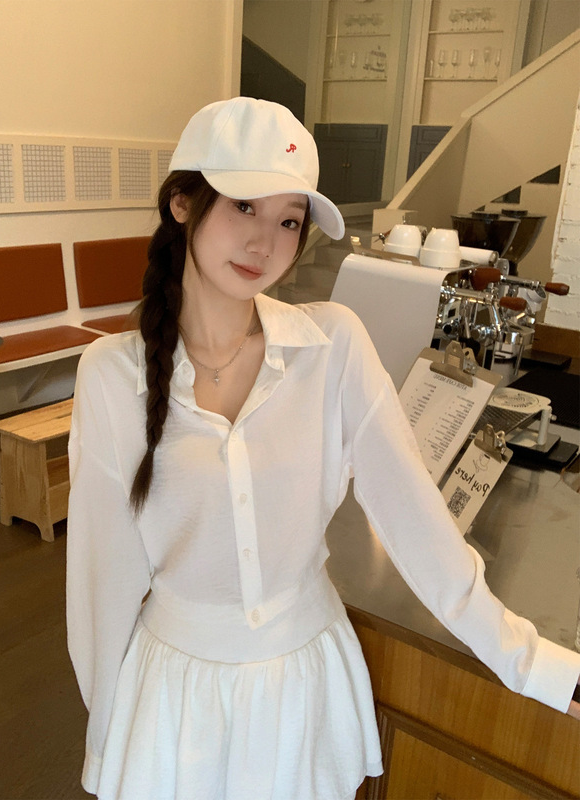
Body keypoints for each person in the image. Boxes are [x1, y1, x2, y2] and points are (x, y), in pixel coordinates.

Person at [66, 97, 580, 800]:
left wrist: (535, 666)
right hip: (175, 697)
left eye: (288, 220)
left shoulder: (332, 344)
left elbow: (417, 524)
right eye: (243, 206)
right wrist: (109, 742)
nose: (264, 243)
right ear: (183, 202)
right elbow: (103, 580)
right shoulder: (110, 375)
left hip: (302, 689)